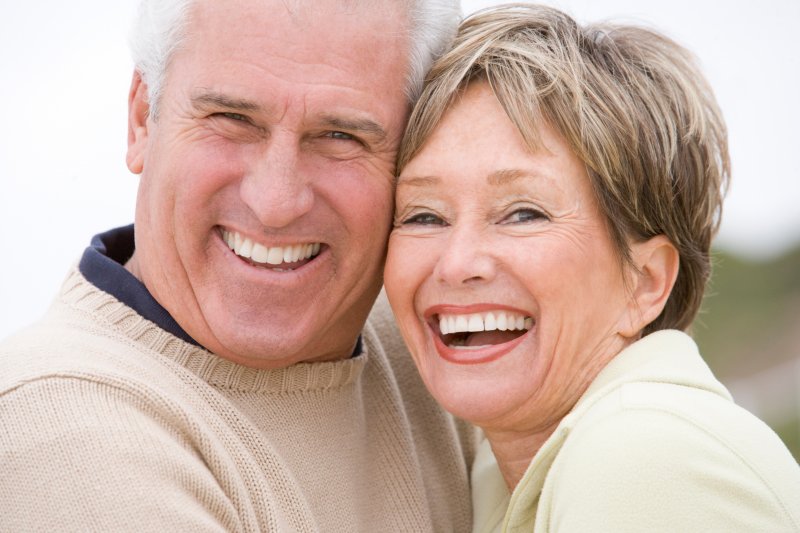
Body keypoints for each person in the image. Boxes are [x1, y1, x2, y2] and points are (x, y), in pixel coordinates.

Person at [0, 0, 480, 531]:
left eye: (341, 136)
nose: (276, 202)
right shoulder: (59, 428)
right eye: (232, 120)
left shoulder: (447, 336)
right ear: (142, 118)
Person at [384, 4, 800, 532]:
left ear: (645, 282)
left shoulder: (640, 457)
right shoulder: (504, 470)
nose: (458, 262)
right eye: (424, 215)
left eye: (523, 213)